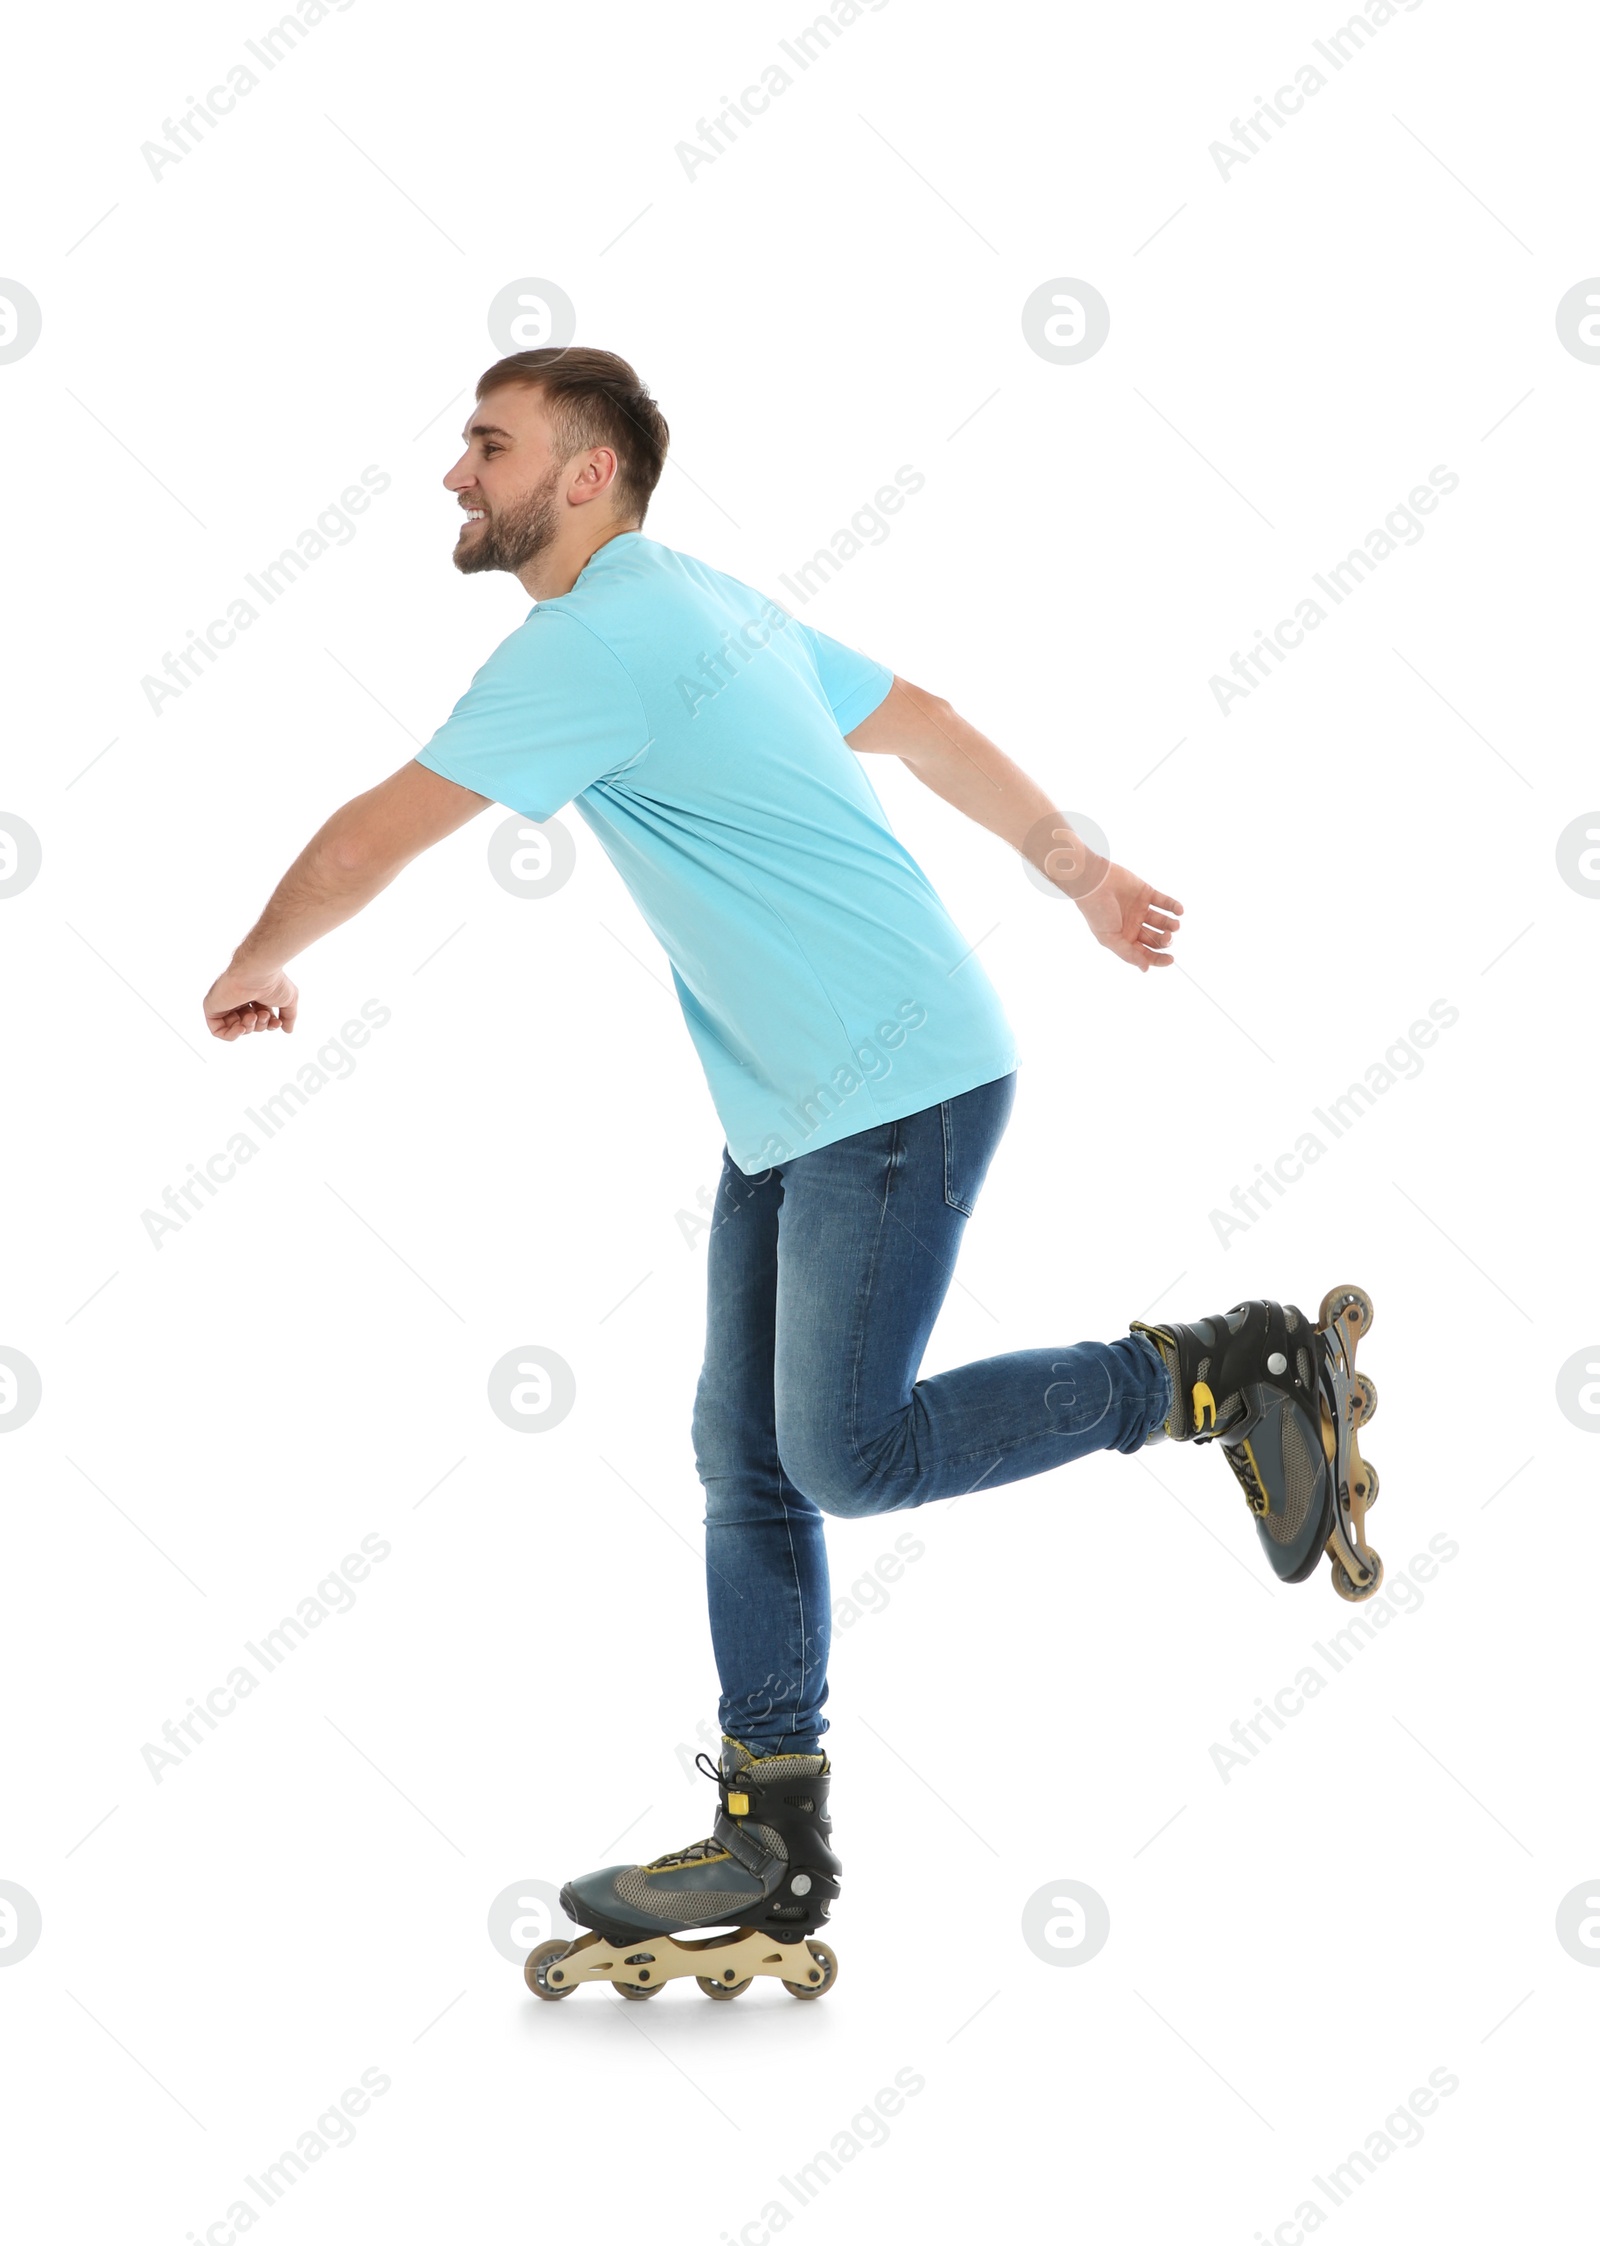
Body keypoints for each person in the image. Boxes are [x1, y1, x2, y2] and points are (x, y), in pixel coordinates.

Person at [202, 347, 1381, 2003]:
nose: (456, 475)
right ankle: (770, 1827)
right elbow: (934, 725)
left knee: (844, 1453)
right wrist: (1085, 875)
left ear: (589, 473)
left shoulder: (590, 644)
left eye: (489, 444)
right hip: (809, 1092)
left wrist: (261, 955)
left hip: (887, 1089)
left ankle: (1215, 1371)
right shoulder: (703, 602)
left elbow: (367, 839)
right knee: (742, 1447)